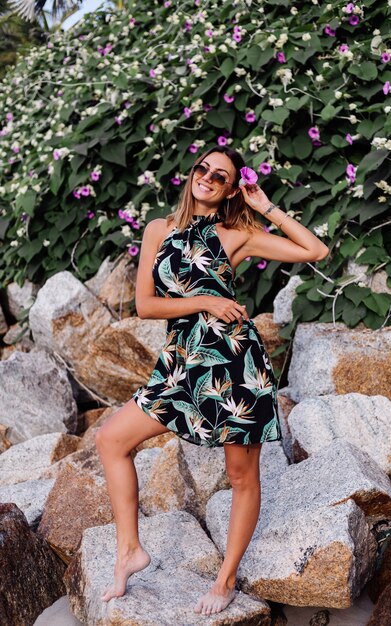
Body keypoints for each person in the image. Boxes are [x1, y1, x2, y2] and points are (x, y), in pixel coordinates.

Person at [95, 145, 329, 615]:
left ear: (229, 190)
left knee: (242, 476)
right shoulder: (159, 229)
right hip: (181, 363)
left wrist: (265, 208)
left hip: (232, 363)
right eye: (202, 167)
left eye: (220, 176)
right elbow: (145, 305)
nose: (207, 176)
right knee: (110, 440)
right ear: (191, 171)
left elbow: (315, 250)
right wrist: (205, 302)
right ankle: (129, 551)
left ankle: (225, 581)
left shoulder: (238, 233)